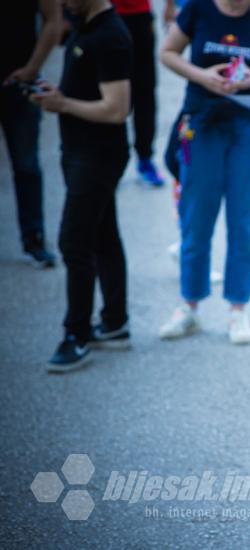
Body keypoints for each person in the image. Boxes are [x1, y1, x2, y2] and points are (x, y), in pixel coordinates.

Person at [158, 0, 250, 344]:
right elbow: (167, 52)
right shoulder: (199, 8)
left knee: (244, 222)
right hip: (201, 122)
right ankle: (189, 305)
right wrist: (203, 76)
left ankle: (238, 309)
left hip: (247, 125)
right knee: (195, 219)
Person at [31, 0, 133, 368]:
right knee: (103, 233)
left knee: (74, 242)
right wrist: (52, 91)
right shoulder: (84, 26)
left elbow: (117, 108)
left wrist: (63, 104)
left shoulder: (110, 36)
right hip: (78, 150)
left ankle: (76, 334)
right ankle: (115, 322)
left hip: (97, 155)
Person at [1, 1, 62, 268]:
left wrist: (32, 68)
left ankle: (34, 239)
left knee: (26, 164)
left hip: (20, 82)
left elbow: (53, 20)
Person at [110, 0, 165, 186]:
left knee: (145, 93)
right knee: (110, 91)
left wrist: (171, 5)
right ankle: (112, 160)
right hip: (108, 15)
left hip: (140, 16)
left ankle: (145, 158)